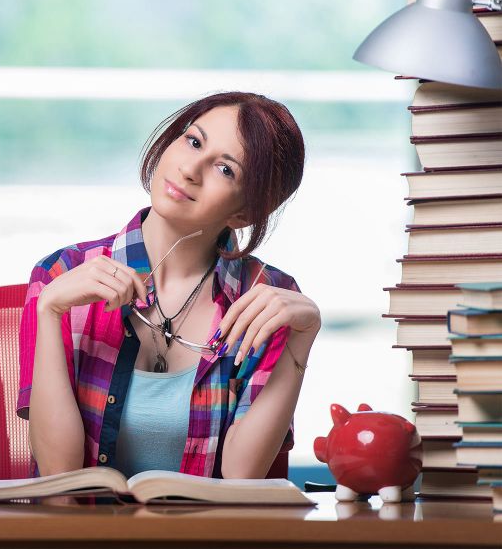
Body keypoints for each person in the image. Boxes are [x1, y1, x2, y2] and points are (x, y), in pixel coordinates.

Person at [17, 91, 322, 480]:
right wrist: (49, 310)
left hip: (203, 538)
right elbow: (59, 473)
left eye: (225, 169)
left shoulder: (265, 297)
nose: (190, 169)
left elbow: (241, 477)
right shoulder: (61, 273)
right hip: (86, 537)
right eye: (193, 141)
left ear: (245, 211)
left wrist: (302, 336)